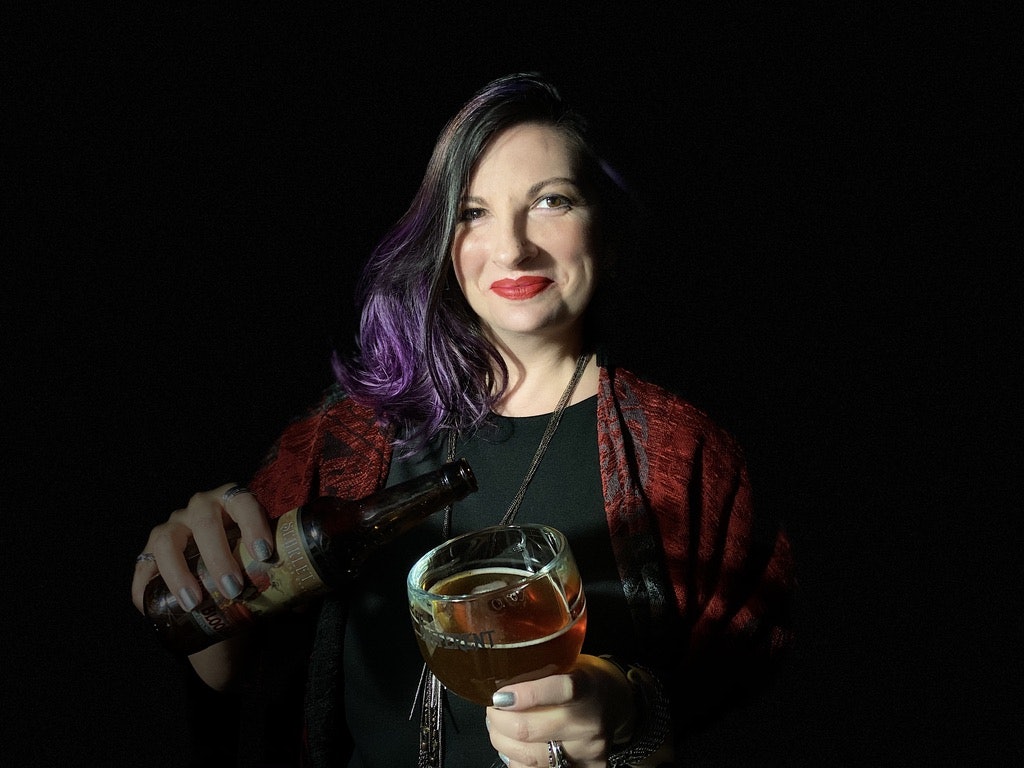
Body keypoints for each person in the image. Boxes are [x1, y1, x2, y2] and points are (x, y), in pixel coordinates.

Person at [131, 72, 795, 768]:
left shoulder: (683, 452)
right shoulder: (349, 437)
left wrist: (631, 714)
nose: (512, 249)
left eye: (550, 201)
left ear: (604, 223)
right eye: (473, 213)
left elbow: (745, 693)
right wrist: (179, 572)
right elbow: (226, 667)